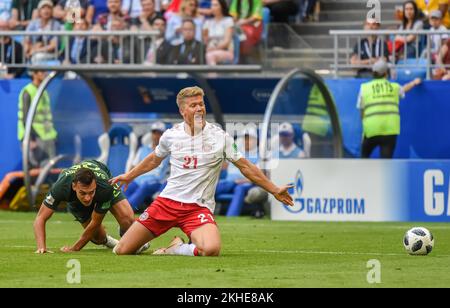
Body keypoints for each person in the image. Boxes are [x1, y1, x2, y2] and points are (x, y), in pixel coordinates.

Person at [111, 86, 294, 256]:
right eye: (193, 105)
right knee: (122, 250)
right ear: (183, 111)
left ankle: (178, 248)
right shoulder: (171, 135)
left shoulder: (220, 137)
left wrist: (274, 189)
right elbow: (154, 159)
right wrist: (129, 175)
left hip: (197, 208)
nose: (199, 108)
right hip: (166, 203)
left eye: (201, 104)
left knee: (212, 249)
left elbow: (246, 167)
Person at [33, 160, 150, 253]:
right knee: (97, 238)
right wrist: (41, 247)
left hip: (104, 186)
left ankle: (126, 232)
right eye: (83, 193)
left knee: (127, 219)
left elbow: (95, 222)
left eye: (91, 192)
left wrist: (75, 248)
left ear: (95, 185)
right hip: (76, 202)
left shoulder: (104, 187)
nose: (88, 198)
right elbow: (40, 218)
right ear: (74, 186)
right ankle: (113, 242)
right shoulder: (61, 187)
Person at [357, 60, 422, 158]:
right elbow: (404, 89)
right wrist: (414, 82)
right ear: (386, 74)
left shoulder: (364, 88)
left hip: (371, 129)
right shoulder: (394, 87)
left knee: (364, 158)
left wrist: (365, 129)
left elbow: (361, 111)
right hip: (389, 130)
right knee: (386, 163)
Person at [125, 122, 169, 212]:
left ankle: (127, 210)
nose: (156, 135)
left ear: (163, 135)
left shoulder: (168, 151)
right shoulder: (142, 149)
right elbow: (133, 166)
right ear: (151, 134)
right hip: (139, 180)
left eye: (159, 133)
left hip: (156, 182)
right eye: (154, 132)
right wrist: (127, 178)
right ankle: (120, 208)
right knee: (125, 187)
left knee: (145, 186)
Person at [17, 69, 58, 168]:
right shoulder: (28, 91)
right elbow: (26, 118)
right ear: (34, 74)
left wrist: (54, 135)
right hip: (34, 138)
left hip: (48, 137)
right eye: (41, 71)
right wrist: (30, 138)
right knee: (34, 170)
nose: (44, 74)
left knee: (49, 169)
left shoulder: (44, 92)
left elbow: (47, 117)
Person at [215, 128, 259, 216]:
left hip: (245, 183)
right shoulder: (236, 151)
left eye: (249, 138)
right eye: (245, 138)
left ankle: (231, 217)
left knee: (239, 188)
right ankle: (199, 213)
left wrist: (242, 181)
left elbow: (258, 177)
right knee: (213, 186)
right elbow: (223, 166)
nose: (247, 141)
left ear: (255, 140)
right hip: (229, 182)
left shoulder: (259, 155)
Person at [203, 0, 235, 65]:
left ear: (221, 7)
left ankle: (213, 75)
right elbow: (205, 41)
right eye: (212, 5)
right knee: (207, 55)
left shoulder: (228, 21)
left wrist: (215, 48)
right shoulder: (207, 22)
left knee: (210, 56)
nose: (213, 7)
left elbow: (227, 41)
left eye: (215, 5)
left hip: (226, 51)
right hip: (210, 50)